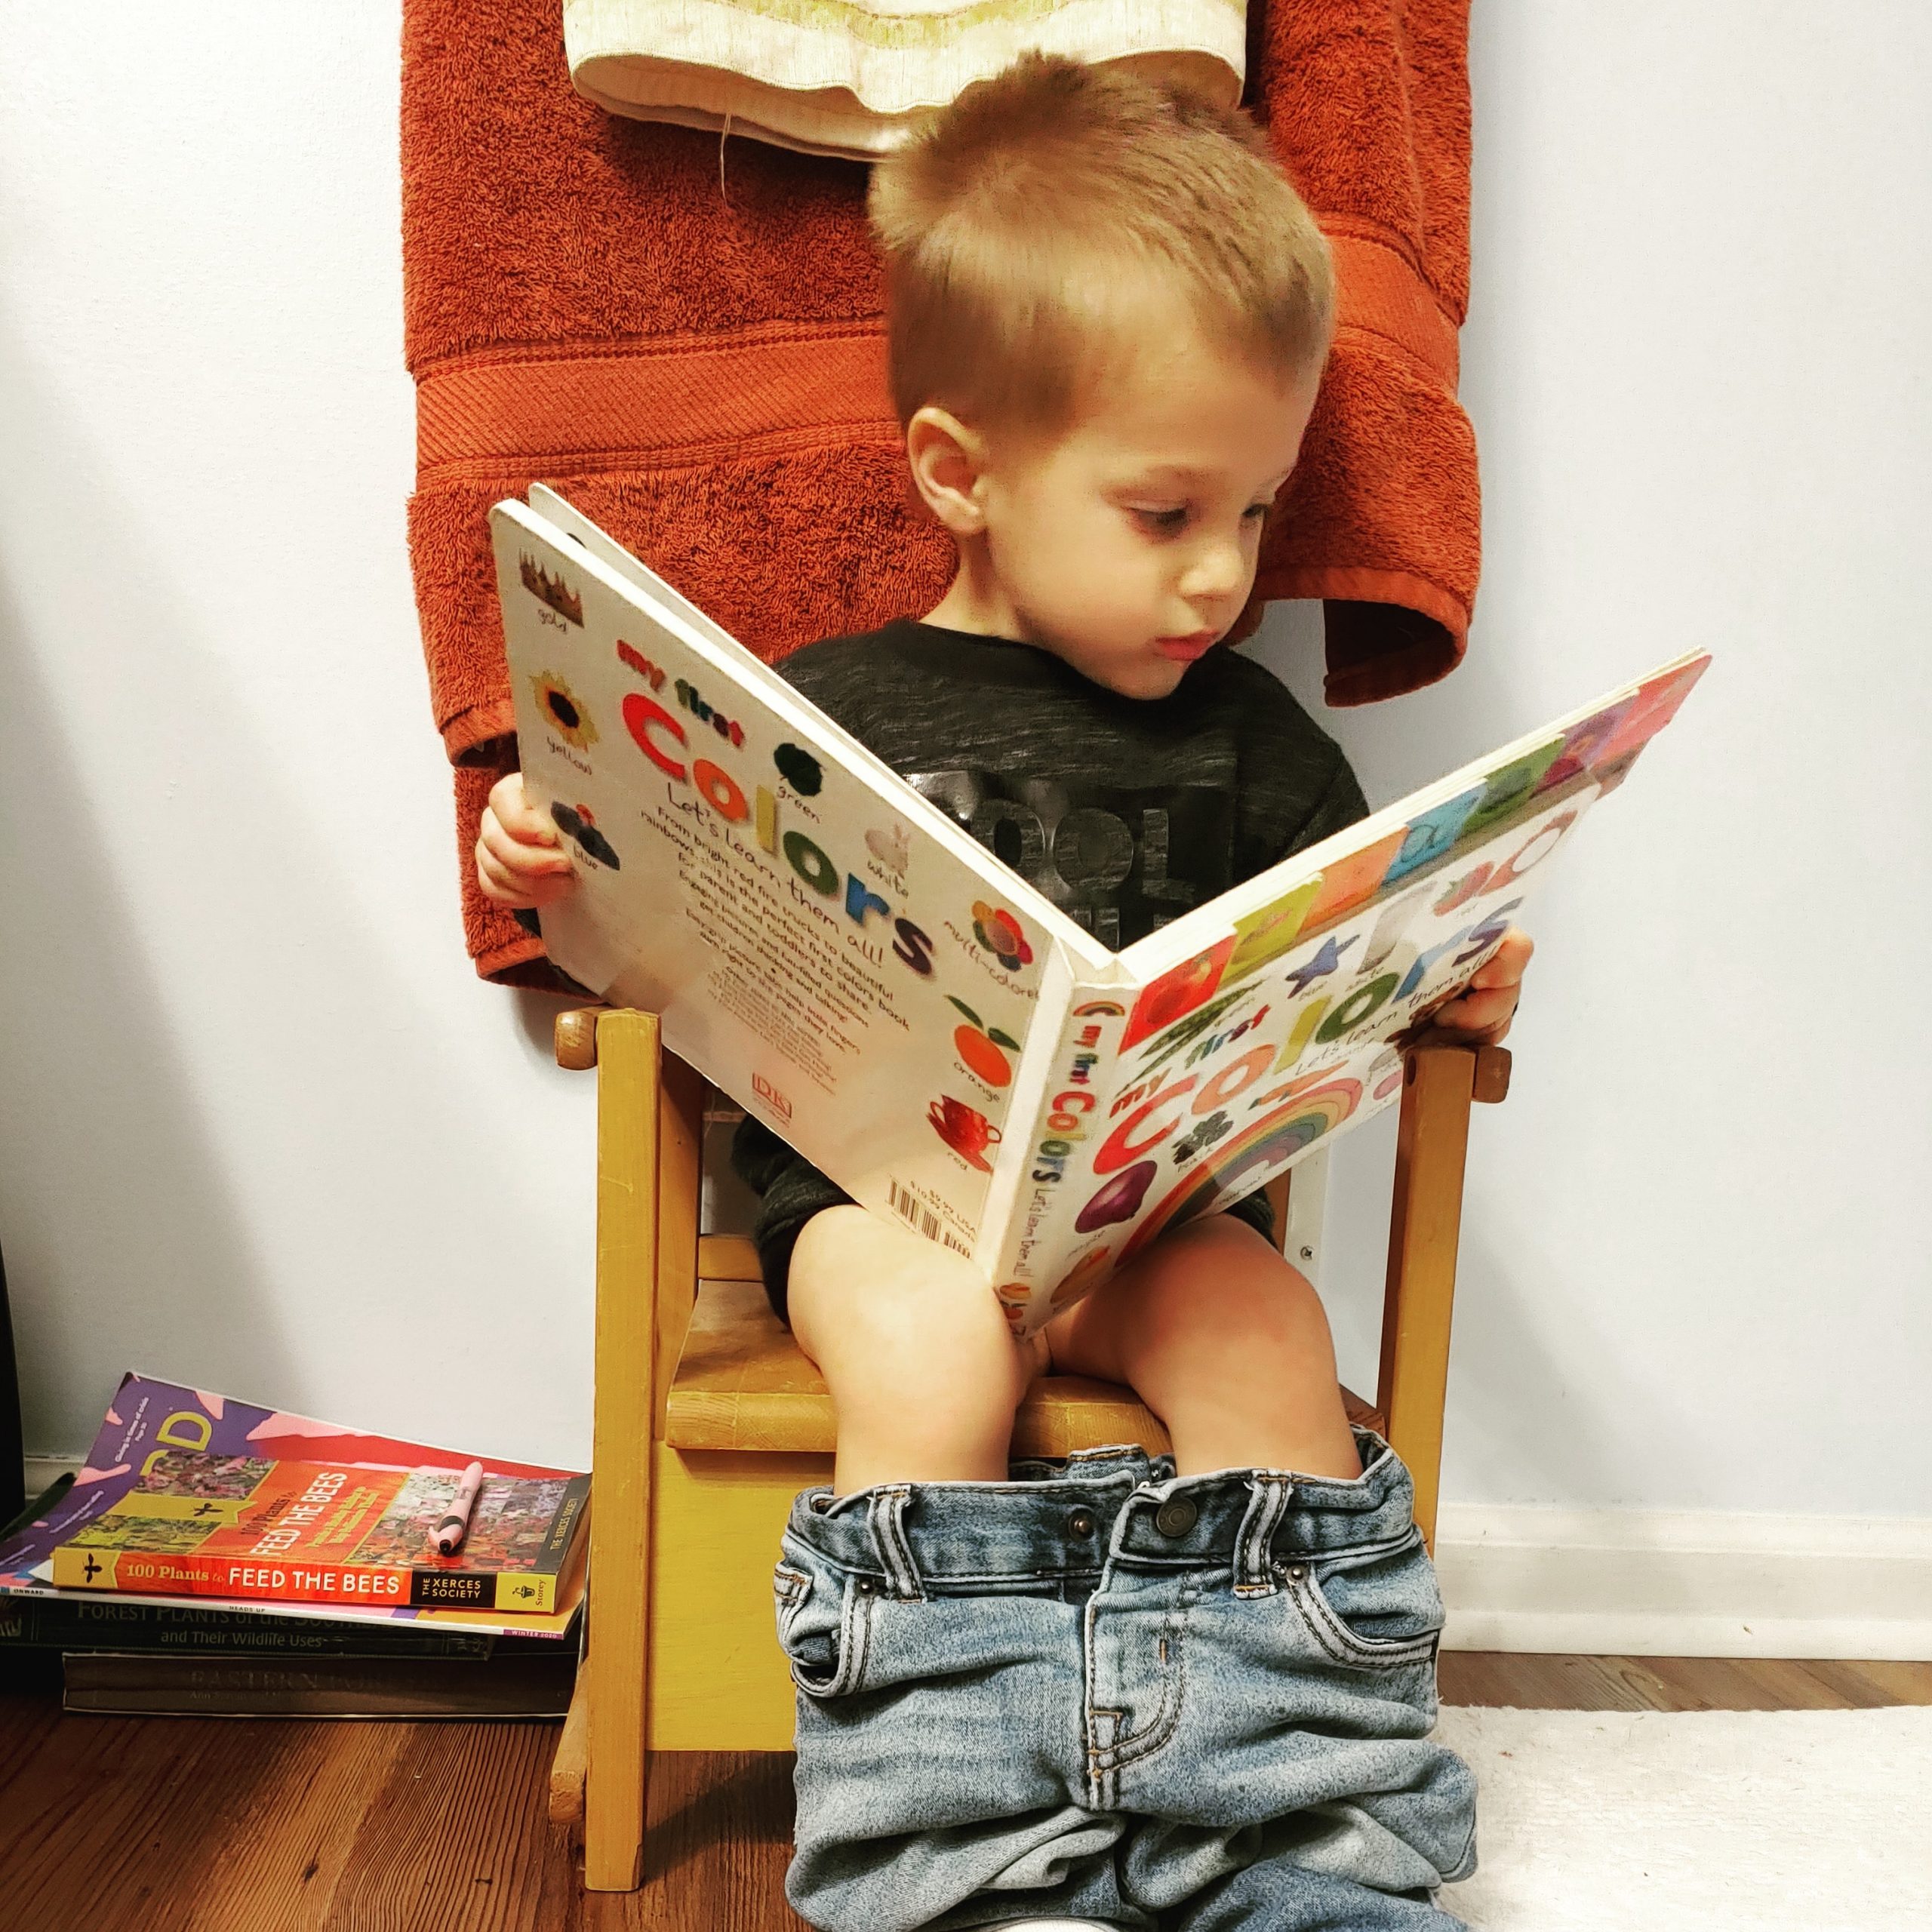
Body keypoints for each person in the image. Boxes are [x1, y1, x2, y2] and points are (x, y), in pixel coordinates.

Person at [476, 53, 1529, 1932]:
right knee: (935, 1336)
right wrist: (548, 857)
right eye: (1161, 512)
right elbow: (646, 923)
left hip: (1140, 1214)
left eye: (1258, 513)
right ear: (959, 471)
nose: (1221, 574)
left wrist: (1442, 975)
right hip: (880, 1211)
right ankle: (948, 1849)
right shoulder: (831, 709)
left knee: (1260, 1329)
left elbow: (1337, 974)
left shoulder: (1253, 746)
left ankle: (1286, 1822)